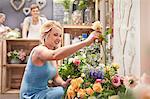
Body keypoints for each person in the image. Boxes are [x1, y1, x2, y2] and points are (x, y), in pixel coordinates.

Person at [20, 20, 101, 99]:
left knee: (68, 91)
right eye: (55, 35)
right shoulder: (39, 50)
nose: (58, 38)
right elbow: (55, 55)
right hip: (30, 95)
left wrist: (63, 83)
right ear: (46, 35)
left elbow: (56, 77)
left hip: (44, 91)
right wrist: (85, 43)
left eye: (60, 35)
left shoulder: (51, 53)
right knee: (62, 92)